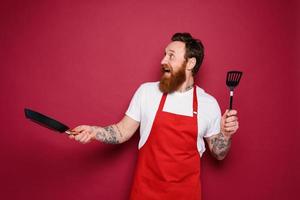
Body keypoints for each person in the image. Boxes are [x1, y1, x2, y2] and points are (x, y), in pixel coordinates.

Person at [69, 32, 239, 200]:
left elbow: (219, 153)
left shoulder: (208, 103)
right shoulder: (147, 92)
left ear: (190, 63)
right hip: (145, 194)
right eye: (165, 54)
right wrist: (93, 132)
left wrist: (225, 133)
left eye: (171, 56)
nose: (163, 60)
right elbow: (122, 131)